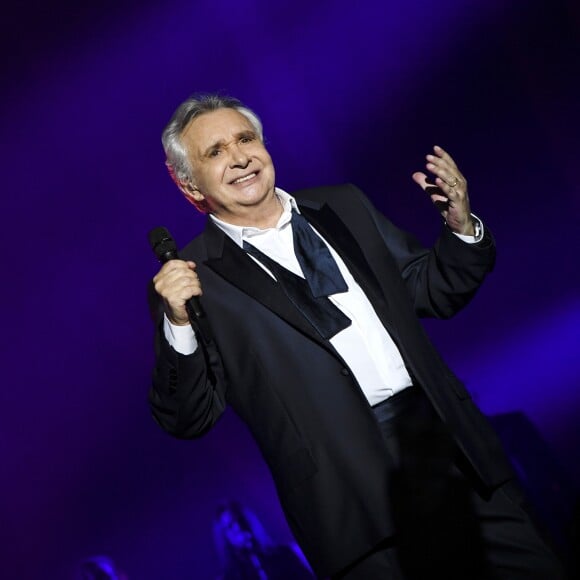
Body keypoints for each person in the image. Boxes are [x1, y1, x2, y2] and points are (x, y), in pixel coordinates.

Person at [148, 93, 566, 579]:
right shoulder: (193, 280)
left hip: (451, 454)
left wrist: (461, 228)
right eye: (215, 152)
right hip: (350, 505)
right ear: (187, 183)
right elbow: (187, 416)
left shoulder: (343, 205)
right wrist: (179, 324)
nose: (240, 157)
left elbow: (433, 290)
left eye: (245, 139)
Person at [212, 499, 315, 579]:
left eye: (239, 520)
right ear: (225, 537)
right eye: (230, 526)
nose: (237, 527)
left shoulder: (284, 554)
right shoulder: (231, 576)